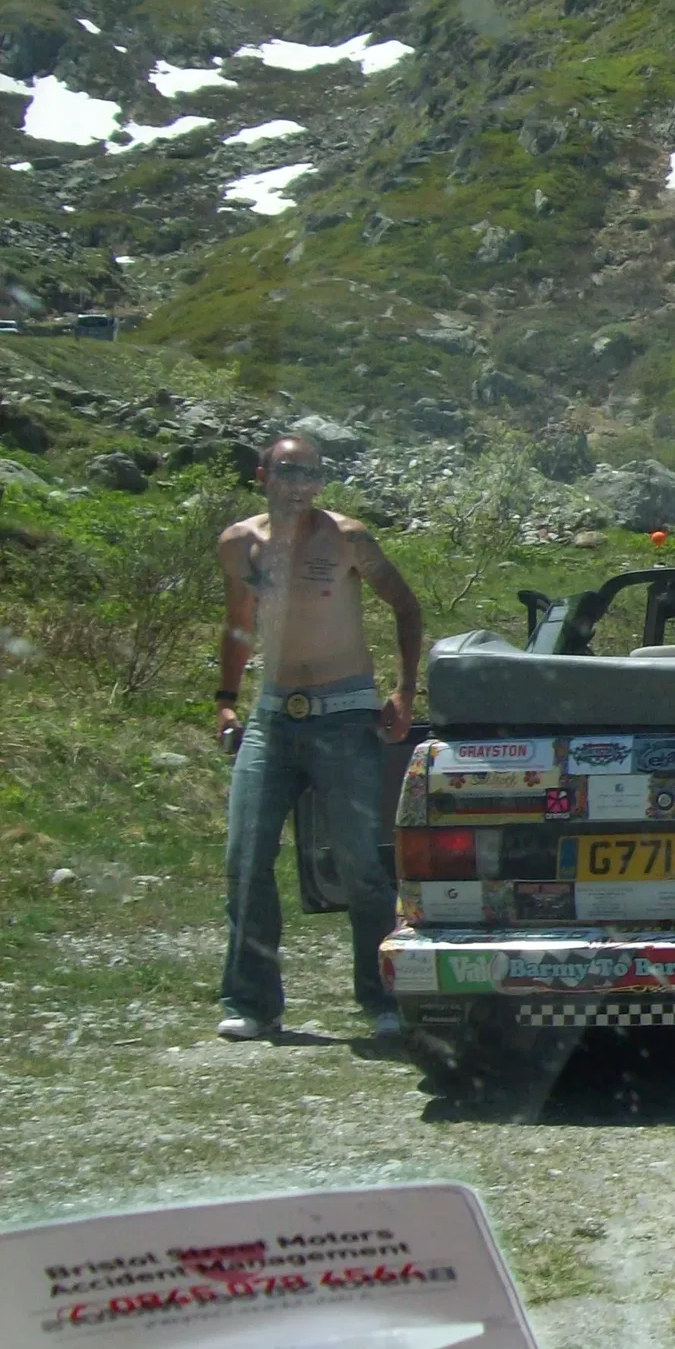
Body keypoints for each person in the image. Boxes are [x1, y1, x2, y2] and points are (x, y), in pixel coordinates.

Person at [211, 435, 424, 1041]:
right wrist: (226, 701)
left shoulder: (348, 538)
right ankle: (252, 1002)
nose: (298, 483)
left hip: (345, 711)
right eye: (287, 471)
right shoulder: (238, 544)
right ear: (263, 475)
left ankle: (381, 997)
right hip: (273, 714)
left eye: (310, 473)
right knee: (246, 858)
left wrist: (405, 691)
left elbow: (405, 606)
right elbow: (237, 623)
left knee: (360, 863)